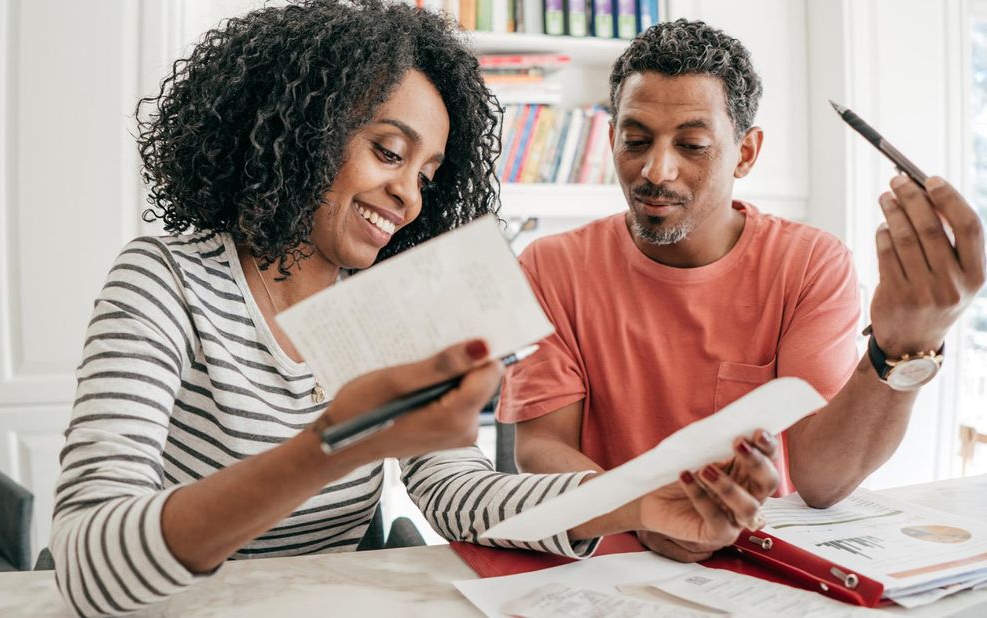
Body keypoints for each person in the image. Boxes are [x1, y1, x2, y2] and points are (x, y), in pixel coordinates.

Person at [50, 3, 782, 616]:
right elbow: (85, 559)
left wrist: (635, 499)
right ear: (301, 127)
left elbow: (459, 494)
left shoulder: (387, 309)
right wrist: (338, 443)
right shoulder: (166, 280)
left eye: (429, 175)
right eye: (388, 152)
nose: (409, 197)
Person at [500, 18, 986, 563]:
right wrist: (640, 509)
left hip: (752, 562)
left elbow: (821, 482)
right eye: (635, 140)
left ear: (746, 154)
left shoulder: (808, 264)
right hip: (602, 560)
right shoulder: (549, 265)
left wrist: (900, 346)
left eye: (692, 145)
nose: (655, 170)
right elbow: (540, 445)